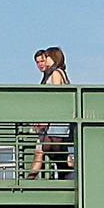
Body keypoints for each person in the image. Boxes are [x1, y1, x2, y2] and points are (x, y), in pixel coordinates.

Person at [27, 47, 73, 179]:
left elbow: (55, 97)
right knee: (47, 147)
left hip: (58, 118)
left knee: (54, 146)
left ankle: (66, 171)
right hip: (54, 118)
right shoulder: (50, 74)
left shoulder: (57, 73)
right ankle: (66, 171)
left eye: (47, 57)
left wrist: (45, 119)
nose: (44, 61)